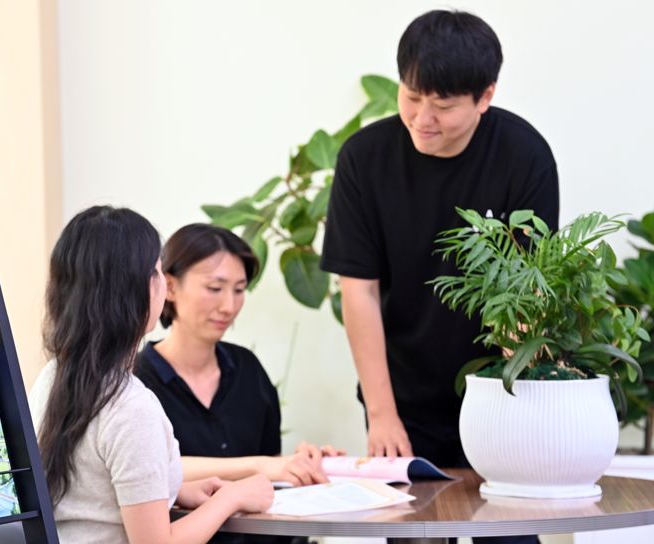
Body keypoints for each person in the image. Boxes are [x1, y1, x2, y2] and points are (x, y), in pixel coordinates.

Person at [320, 10, 558, 544]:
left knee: (510, 535)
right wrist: (382, 414)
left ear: (485, 96)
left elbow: (527, 291)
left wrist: (514, 400)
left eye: (444, 105)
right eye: (411, 96)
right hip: (402, 395)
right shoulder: (365, 159)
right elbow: (358, 289)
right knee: (416, 535)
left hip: (499, 391)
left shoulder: (525, 157)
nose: (422, 117)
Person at [29, 206, 274, 544]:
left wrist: (174, 489)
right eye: (157, 272)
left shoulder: (53, 376)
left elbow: (93, 496)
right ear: (138, 290)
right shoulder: (130, 406)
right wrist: (230, 498)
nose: (228, 305)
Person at [135, 223, 339, 544]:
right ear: (170, 287)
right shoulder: (135, 382)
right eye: (215, 288)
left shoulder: (249, 370)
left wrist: (303, 466)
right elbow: (151, 470)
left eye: (239, 289)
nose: (229, 306)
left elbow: (271, 471)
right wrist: (262, 466)